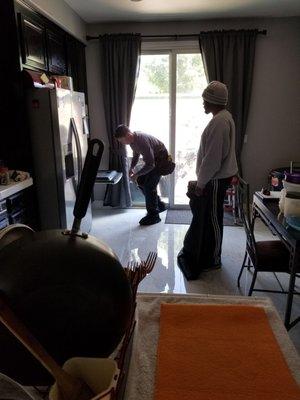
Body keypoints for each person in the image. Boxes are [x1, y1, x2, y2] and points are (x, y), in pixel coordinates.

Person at [177, 81, 238, 280]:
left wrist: (201, 184)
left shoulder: (219, 122)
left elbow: (212, 159)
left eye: (206, 100)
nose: (203, 103)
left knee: (212, 219)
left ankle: (213, 259)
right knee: (211, 217)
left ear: (214, 101)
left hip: (215, 180)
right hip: (217, 178)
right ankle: (210, 255)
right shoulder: (223, 117)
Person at [114, 125, 168, 226]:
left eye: (121, 140)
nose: (121, 143)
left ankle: (154, 216)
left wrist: (137, 174)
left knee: (149, 186)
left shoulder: (141, 140)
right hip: (154, 160)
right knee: (142, 181)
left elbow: (151, 164)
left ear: (128, 135)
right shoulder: (132, 141)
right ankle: (159, 205)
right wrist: (131, 167)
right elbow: (136, 154)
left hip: (161, 159)